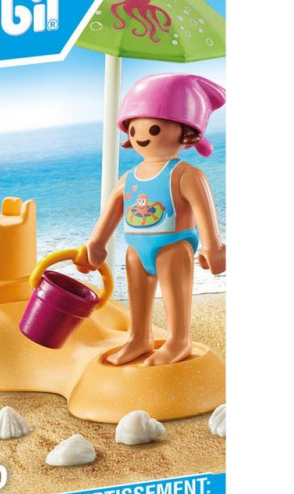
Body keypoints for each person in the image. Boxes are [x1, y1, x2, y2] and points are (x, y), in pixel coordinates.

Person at [81, 73, 226, 366]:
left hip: (174, 246)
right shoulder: (129, 178)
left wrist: (212, 246)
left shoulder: (186, 175)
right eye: (133, 129)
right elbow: (110, 213)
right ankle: (139, 337)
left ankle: (179, 340)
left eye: (154, 128)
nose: (141, 136)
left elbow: (204, 212)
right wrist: (96, 244)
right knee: (138, 296)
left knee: (174, 295)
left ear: (186, 131)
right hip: (136, 249)